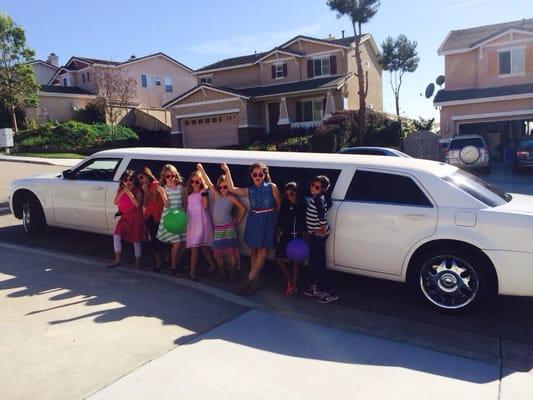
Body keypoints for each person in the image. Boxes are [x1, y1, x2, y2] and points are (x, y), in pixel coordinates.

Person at [222, 162, 281, 295]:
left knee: (263, 253)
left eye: (261, 174)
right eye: (255, 174)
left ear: (265, 174)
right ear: (251, 175)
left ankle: (248, 280)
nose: (258, 176)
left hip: (268, 221)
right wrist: (227, 170)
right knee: (253, 251)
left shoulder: (272, 187)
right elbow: (231, 188)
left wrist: (273, 222)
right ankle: (255, 283)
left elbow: (278, 204)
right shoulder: (249, 190)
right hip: (254, 220)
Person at [197, 163, 246, 281]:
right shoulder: (217, 195)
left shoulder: (231, 198)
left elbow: (243, 208)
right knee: (218, 252)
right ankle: (221, 272)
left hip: (229, 226)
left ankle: (232, 273)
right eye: (221, 187)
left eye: (225, 187)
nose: (223, 189)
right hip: (218, 228)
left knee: (231, 252)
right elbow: (208, 183)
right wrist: (201, 169)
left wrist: (237, 220)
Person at [303, 175, 339, 304]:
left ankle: (328, 292)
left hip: (319, 236)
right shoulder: (317, 198)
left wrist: (322, 231)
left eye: (317, 187)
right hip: (314, 234)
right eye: (313, 184)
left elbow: (322, 218)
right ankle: (315, 287)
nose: (313, 188)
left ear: (323, 189)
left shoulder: (318, 199)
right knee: (313, 261)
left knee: (319, 264)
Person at [107, 169, 147, 269]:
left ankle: (137, 262)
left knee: (136, 241)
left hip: (135, 218)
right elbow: (116, 201)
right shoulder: (120, 190)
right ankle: (117, 259)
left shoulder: (137, 191)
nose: (128, 182)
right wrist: (123, 192)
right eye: (126, 180)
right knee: (116, 235)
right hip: (125, 218)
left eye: (130, 180)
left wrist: (129, 192)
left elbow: (137, 204)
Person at [275, 181, 306, 295]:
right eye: (287, 195)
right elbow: (280, 218)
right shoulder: (285, 204)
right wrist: (278, 230)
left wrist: (305, 234)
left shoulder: (302, 206)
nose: (289, 197)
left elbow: (305, 223)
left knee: (295, 261)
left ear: (297, 193)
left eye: (292, 194)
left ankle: (294, 284)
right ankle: (290, 280)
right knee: (278, 258)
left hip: (297, 236)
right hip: (286, 235)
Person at [185, 168, 217, 281]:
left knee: (196, 248)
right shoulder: (188, 193)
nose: (194, 184)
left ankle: (192, 272)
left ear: (201, 182)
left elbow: (205, 206)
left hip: (201, 222)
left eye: (197, 182)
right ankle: (212, 265)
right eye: (192, 181)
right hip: (192, 223)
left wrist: (204, 193)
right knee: (202, 247)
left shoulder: (203, 193)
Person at [156, 164, 187, 275]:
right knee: (177, 242)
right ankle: (173, 267)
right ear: (164, 177)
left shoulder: (181, 187)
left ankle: (175, 261)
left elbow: (184, 202)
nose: (170, 178)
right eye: (167, 176)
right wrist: (162, 193)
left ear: (175, 175)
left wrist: (183, 215)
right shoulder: (163, 189)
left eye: (172, 175)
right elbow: (167, 205)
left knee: (184, 242)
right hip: (169, 218)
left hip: (179, 217)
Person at [138, 167, 164, 272]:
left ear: (147, 176)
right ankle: (159, 261)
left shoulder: (155, 184)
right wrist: (144, 192)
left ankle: (163, 260)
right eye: (139, 179)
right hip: (149, 216)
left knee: (160, 239)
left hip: (157, 215)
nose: (140, 180)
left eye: (142, 177)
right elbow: (145, 204)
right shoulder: (146, 187)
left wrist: (146, 190)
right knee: (154, 239)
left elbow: (154, 199)